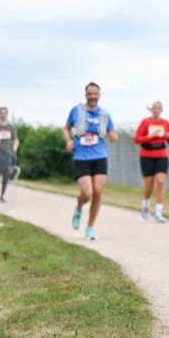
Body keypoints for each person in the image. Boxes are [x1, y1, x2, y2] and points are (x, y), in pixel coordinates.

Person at [64, 82, 117, 240]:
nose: (92, 97)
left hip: (100, 156)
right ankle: (79, 207)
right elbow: (66, 128)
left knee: (98, 193)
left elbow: (112, 132)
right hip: (82, 157)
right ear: (85, 95)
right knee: (87, 193)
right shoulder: (77, 111)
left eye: (95, 94)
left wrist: (114, 136)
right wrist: (68, 141)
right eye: (90, 94)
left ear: (99, 95)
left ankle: (90, 228)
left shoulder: (105, 114)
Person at [134, 101, 169, 223]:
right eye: (154, 108)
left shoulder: (166, 123)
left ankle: (158, 213)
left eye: (159, 108)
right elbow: (137, 139)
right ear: (151, 110)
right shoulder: (145, 122)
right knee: (149, 186)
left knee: (161, 182)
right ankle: (146, 203)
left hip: (161, 154)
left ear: (161, 110)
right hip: (147, 155)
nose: (156, 110)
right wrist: (149, 137)